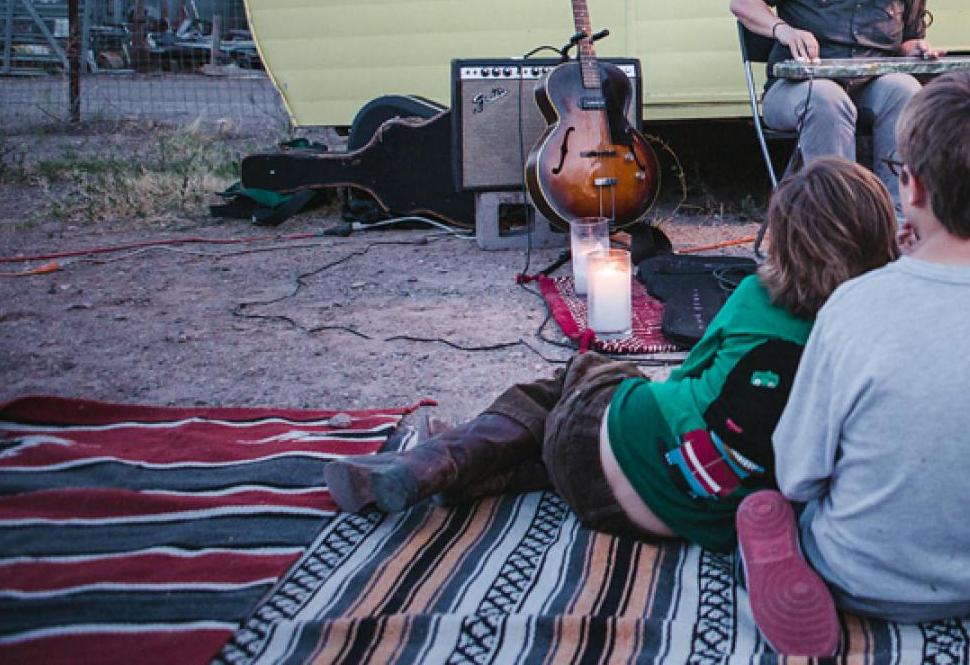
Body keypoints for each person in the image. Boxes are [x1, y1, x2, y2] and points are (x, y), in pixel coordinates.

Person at [323, 158, 896, 554]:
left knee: (577, 376)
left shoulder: (754, 295)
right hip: (652, 518)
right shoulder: (869, 337)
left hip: (593, 449)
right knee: (578, 431)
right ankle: (466, 471)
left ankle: (441, 458)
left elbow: (690, 378)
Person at [733, 72, 970, 655]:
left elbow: (798, 472)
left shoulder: (854, 306)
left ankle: (783, 568)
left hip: (857, 572)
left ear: (912, 189)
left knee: (766, 506)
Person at [729, 0, 938, 212]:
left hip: (870, 86)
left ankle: (897, 219)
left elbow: (907, 41)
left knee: (906, 89)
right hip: (796, 88)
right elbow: (742, 2)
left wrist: (917, 50)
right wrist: (783, 30)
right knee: (827, 98)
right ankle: (840, 220)